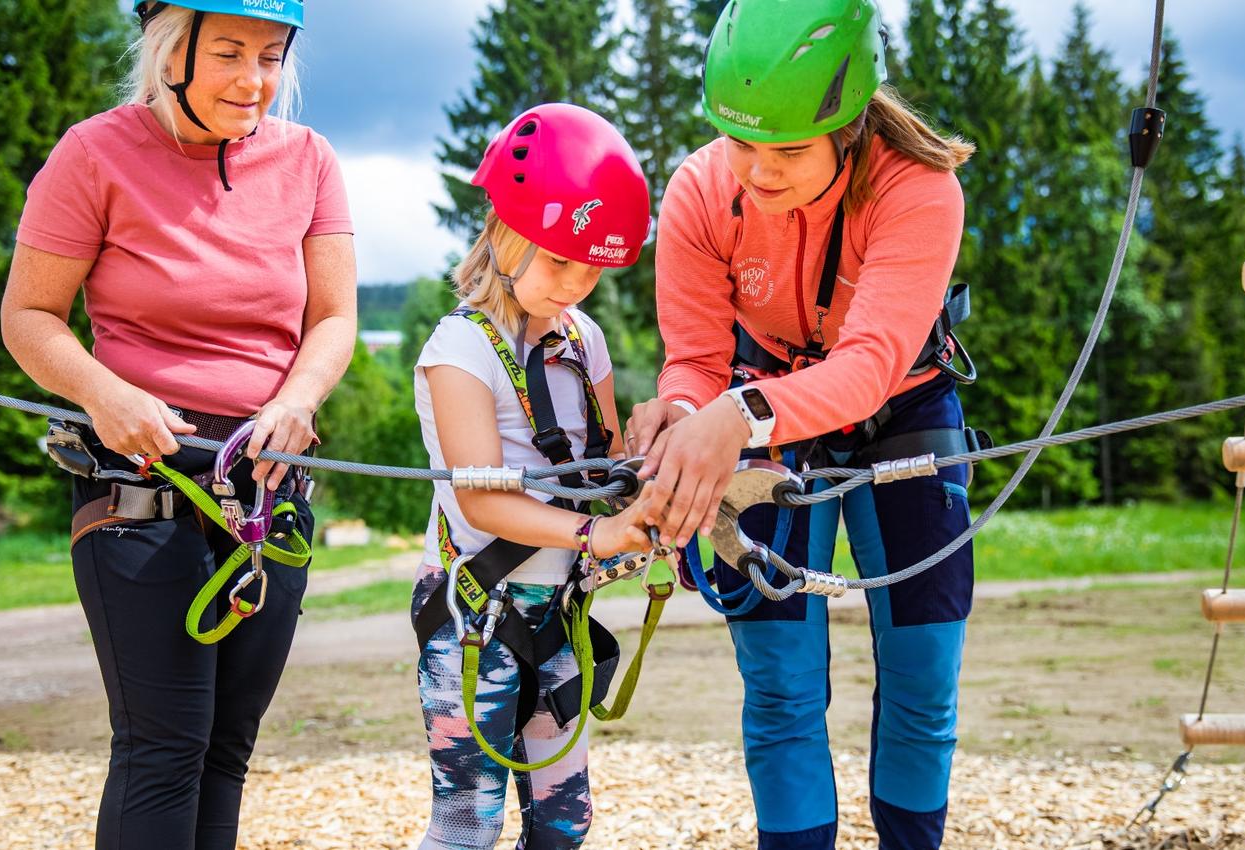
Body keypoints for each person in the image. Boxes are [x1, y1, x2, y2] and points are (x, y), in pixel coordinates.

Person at [0, 1, 356, 847]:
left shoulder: (309, 160)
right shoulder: (93, 154)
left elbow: (335, 317)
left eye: (271, 56)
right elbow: (29, 317)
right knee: (164, 749)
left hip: (267, 489)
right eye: (229, 52)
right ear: (170, 53)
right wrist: (104, 394)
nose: (254, 79)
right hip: (141, 485)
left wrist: (298, 399)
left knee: (227, 751)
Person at [628, 1, 979, 848]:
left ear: (849, 130)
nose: (758, 172)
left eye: (789, 151)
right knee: (780, 683)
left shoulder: (917, 187)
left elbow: (868, 367)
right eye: (741, 142)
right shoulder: (700, 189)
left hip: (901, 403)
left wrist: (730, 417)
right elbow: (696, 359)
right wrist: (683, 419)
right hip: (760, 404)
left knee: (924, 674)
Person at [409, 102, 656, 850]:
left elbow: (605, 463)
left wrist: (650, 480)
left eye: (592, 268)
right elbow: (482, 502)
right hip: (475, 610)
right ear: (505, 234)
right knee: (468, 823)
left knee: (564, 819)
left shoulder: (584, 340)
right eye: (559, 262)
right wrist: (596, 535)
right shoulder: (460, 347)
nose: (576, 284)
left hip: (557, 609)